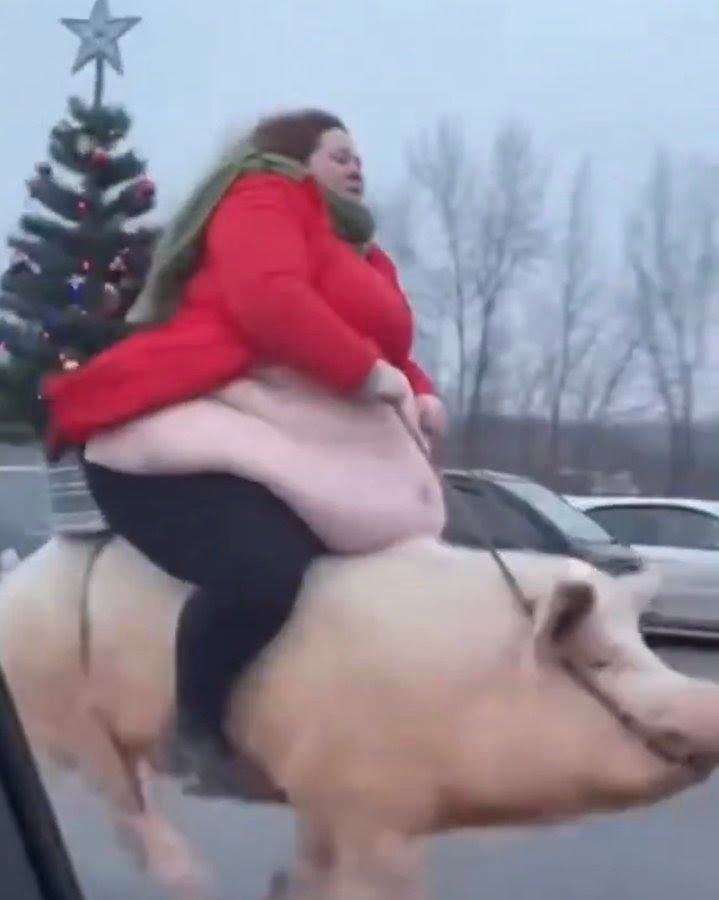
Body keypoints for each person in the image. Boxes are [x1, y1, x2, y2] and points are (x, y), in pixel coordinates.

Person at [41, 109, 447, 781]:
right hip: (176, 438)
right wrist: (362, 372)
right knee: (263, 572)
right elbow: (268, 299)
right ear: (292, 159)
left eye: (358, 156)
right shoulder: (263, 196)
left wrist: (419, 393)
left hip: (278, 442)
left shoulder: (364, 253)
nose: (355, 165)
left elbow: (391, 351)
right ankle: (197, 731)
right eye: (337, 153)